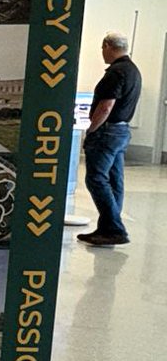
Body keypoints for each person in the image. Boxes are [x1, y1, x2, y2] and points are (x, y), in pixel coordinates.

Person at [79, 33, 141, 247]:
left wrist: (92, 129)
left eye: (102, 48)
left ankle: (114, 228)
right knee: (115, 180)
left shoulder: (116, 72)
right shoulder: (133, 70)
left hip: (107, 132)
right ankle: (107, 228)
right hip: (122, 132)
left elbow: (105, 107)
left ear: (107, 46)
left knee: (95, 179)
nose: (102, 53)